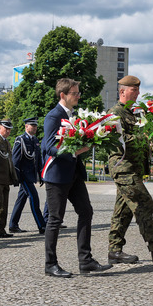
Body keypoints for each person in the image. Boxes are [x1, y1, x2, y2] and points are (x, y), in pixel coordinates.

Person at [106, 75, 153, 265]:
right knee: (144, 204)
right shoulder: (114, 113)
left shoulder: (132, 114)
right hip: (123, 169)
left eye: (138, 90)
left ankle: (114, 251)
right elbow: (118, 139)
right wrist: (146, 137)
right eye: (134, 90)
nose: (138, 93)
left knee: (123, 210)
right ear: (123, 91)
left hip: (133, 168)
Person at [41, 78, 112, 278]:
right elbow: (48, 147)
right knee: (55, 219)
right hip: (57, 175)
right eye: (75, 93)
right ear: (63, 95)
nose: (78, 96)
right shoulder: (53, 116)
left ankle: (85, 260)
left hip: (73, 173)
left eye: (78, 93)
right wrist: (74, 151)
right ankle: (50, 264)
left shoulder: (73, 116)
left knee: (86, 211)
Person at [9, 117, 46, 234]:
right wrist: (17, 177)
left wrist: (41, 175)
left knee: (21, 200)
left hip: (31, 176)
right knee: (34, 198)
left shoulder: (35, 140)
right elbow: (15, 160)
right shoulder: (20, 140)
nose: (35, 128)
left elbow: (38, 159)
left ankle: (13, 225)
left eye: (35, 126)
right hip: (24, 176)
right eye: (32, 126)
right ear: (26, 127)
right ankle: (42, 226)